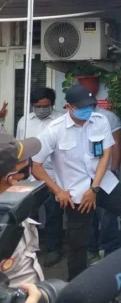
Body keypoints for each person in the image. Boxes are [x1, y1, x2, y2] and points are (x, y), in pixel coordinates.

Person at [31, 85, 121, 281]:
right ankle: (77, 285)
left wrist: (95, 187)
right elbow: (36, 166)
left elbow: (106, 153)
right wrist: (58, 192)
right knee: (77, 243)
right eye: (82, 107)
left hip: (101, 182)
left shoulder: (100, 121)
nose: (87, 111)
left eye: (90, 106)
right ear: (68, 107)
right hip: (74, 191)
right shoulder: (55, 130)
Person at [14, 88, 65, 268]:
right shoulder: (24, 121)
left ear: (52, 104)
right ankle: (31, 250)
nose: (42, 109)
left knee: (54, 214)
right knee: (29, 215)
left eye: (46, 106)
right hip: (29, 176)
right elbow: (20, 147)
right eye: (38, 106)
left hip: (54, 175)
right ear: (32, 106)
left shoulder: (62, 119)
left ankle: (54, 249)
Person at [0, 133, 44, 288]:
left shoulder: (13, 206)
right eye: (22, 162)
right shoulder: (5, 224)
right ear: (11, 178)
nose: (27, 164)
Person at [87, 105, 121, 261]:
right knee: (87, 216)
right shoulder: (68, 121)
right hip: (81, 178)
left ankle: (110, 252)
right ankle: (91, 251)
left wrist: (115, 169)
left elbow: (116, 144)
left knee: (107, 215)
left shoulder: (107, 117)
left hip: (105, 177)